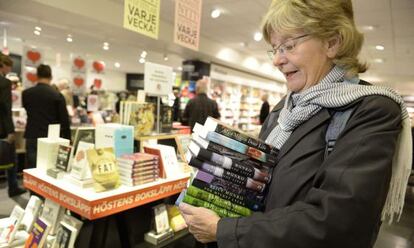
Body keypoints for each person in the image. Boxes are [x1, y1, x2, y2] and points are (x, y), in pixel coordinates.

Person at [179, 1, 412, 247]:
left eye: (288, 46)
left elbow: (338, 221)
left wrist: (224, 230)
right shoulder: (283, 109)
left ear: (332, 42)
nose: (277, 60)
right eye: (275, 48)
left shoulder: (370, 110)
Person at [23, 64, 71, 168]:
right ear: (51, 77)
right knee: (49, 170)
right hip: (51, 137)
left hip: (32, 134)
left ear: (37, 76)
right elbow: (64, 120)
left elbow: (27, 110)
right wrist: (68, 140)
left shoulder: (26, 93)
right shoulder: (57, 95)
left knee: (32, 170)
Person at [0, 54, 26, 197]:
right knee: (11, 159)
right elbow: (5, 108)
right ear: (3, 65)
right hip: (2, 129)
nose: (10, 69)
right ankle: (13, 187)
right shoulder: (4, 83)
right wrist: (10, 131)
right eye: (9, 66)